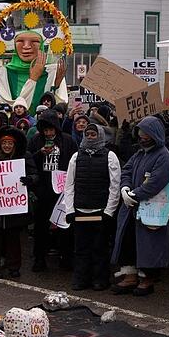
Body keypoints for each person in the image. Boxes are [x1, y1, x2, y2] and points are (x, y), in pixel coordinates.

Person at [113, 116, 169, 296]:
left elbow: (156, 181)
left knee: (149, 244)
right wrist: (125, 188)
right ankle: (130, 275)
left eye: (146, 134)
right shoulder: (139, 153)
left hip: (151, 209)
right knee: (129, 241)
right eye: (140, 133)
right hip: (132, 208)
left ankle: (147, 278)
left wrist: (135, 194)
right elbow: (127, 170)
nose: (142, 137)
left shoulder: (163, 155)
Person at [64, 123, 120, 291]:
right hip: (80, 211)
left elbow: (114, 186)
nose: (89, 136)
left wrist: (109, 211)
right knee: (81, 248)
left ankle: (100, 279)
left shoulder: (110, 156)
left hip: (100, 211)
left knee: (100, 248)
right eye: (87, 134)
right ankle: (81, 279)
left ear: (100, 136)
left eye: (93, 134)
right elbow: (69, 185)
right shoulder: (75, 157)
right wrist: (70, 210)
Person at [28, 111, 77, 272]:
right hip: (43, 189)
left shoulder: (67, 140)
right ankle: (39, 258)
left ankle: (66, 257)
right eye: (45, 130)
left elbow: (73, 161)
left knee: (65, 225)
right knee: (41, 227)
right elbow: (28, 161)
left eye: (51, 129)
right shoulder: (36, 140)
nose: (48, 133)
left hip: (62, 190)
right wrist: (39, 154)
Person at [0, 127, 35, 279]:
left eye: (10, 143)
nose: (7, 146)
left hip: (14, 206)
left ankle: (14, 266)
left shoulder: (24, 157)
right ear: (0, 144)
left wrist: (30, 180)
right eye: (4, 143)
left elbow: (35, 175)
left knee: (14, 238)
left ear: (14, 145)